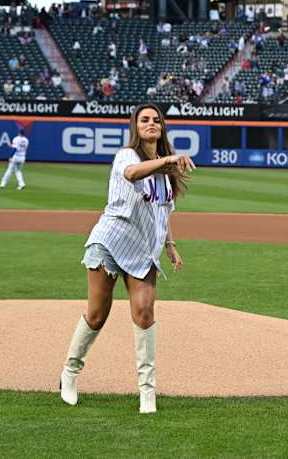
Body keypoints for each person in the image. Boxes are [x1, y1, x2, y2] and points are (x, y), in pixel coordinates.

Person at [59, 103, 196, 414]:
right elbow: (132, 174)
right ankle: (69, 373)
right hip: (109, 242)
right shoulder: (127, 155)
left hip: (142, 251)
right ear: (135, 126)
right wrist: (168, 160)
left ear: (162, 127)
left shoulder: (165, 174)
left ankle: (147, 392)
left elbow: (162, 211)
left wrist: (170, 243)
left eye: (155, 120)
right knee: (96, 315)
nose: (150, 124)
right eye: (144, 119)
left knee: (144, 313)